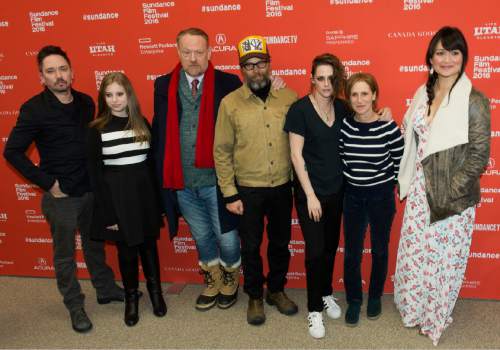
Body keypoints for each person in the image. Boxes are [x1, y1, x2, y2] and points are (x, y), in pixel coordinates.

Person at [3, 45, 124, 333]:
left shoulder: (85, 102)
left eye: (63, 69)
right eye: (51, 71)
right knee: (65, 254)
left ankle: (105, 288)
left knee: (95, 245)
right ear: (41, 77)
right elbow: (13, 152)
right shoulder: (34, 109)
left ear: (72, 71)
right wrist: (48, 184)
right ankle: (74, 305)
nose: (59, 76)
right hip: (62, 197)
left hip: (91, 190)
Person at [394, 26, 490, 346]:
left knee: (442, 261)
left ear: (463, 57)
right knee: (418, 255)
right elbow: (412, 135)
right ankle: (415, 309)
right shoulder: (424, 93)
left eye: (454, 52)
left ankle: (434, 317)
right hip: (421, 191)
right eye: (439, 52)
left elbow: (479, 156)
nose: (446, 59)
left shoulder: (474, 100)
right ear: (430, 58)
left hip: (452, 196)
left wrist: (450, 193)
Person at [152, 27, 242, 311]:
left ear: (210, 53)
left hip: (218, 180)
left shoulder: (229, 83)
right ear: (178, 52)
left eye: (199, 52)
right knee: (201, 235)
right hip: (182, 181)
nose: (193, 58)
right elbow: (160, 131)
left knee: (226, 236)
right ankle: (213, 279)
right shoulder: (163, 85)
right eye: (187, 52)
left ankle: (230, 278)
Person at [214, 35, 299, 326]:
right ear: (242, 69)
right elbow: (222, 151)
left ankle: (276, 290)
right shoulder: (229, 104)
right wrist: (229, 193)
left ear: (269, 64)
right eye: (249, 65)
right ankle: (254, 296)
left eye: (260, 63)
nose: (256, 70)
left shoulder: (289, 97)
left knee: (280, 242)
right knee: (250, 246)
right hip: (247, 189)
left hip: (281, 186)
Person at [87, 72, 167, 327]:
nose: (115, 100)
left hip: (145, 196)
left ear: (129, 95)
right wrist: (108, 214)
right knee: (127, 250)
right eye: (108, 95)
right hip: (117, 199)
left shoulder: (141, 122)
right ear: (103, 98)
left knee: (148, 247)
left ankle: (156, 294)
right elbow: (96, 177)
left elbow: (153, 164)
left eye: (119, 94)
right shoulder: (96, 129)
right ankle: (131, 298)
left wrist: (160, 203)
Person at [284, 53, 348, 338]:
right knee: (314, 252)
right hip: (311, 194)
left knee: (330, 246)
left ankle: (324, 292)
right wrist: (309, 195)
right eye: (320, 78)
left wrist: (384, 114)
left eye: (331, 78)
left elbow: (367, 117)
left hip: (337, 191)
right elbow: (296, 156)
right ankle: (313, 310)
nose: (326, 83)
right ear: (312, 80)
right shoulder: (299, 110)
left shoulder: (343, 108)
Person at [340, 72, 404, 328]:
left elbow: (399, 163)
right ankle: (354, 300)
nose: (359, 99)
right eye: (354, 94)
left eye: (365, 93)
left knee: (379, 249)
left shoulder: (389, 127)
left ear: (374, 95)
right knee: (352, 253)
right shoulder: (344, 125)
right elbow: (342, 156)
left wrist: (393, 188)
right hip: (353, 196)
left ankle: (375, 296)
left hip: (381, 196)